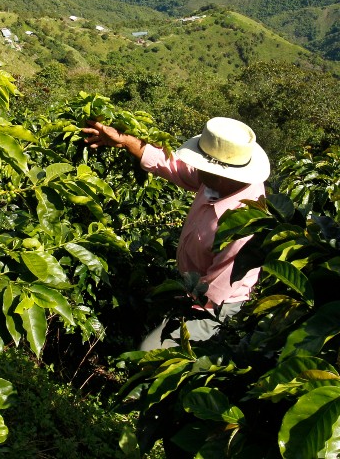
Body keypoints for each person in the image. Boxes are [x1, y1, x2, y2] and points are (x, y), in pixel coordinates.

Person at [82, 116, 270, 350]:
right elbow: (174, 166)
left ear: (221, 174)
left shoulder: (243, 227)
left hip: (217, 307)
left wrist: (177, 304)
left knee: (149, 352)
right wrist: (124, 141)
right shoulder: (220, 181)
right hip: (192, 287)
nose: (196, 168)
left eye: (202, 165)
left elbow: (214, 292)